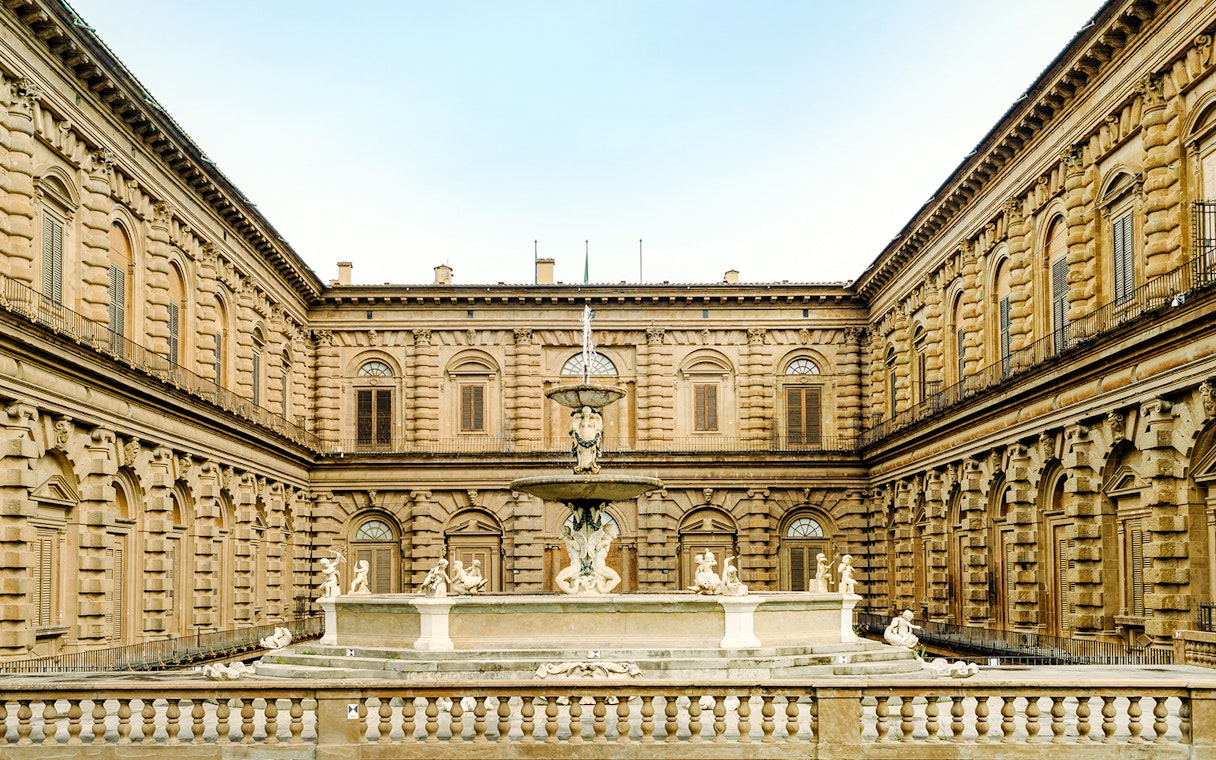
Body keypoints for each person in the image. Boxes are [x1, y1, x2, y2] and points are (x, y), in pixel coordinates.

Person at [570, 406, 603, 474]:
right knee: (580, 450)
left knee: (592, 450)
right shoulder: (579, 420)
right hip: (582, 440)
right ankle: (580, 464)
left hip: (591, 439)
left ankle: (592, 464)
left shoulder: (594, 420)